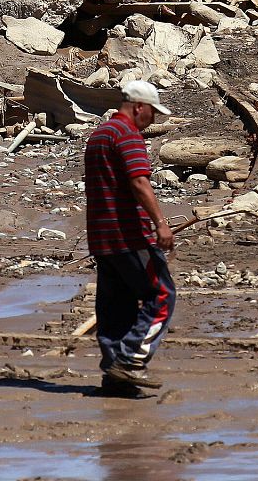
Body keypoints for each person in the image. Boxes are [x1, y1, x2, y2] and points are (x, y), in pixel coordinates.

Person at [84, 79, 175, 393]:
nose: (152, 120)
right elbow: (139, 182)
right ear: (139, 107)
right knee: (161, 296)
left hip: (102, 237)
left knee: (116, 307)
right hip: (129, 236)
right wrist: (160, 223)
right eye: (152, 112)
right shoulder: (128, 134)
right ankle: (130, 360)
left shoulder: (99, 135)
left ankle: (114, 376)